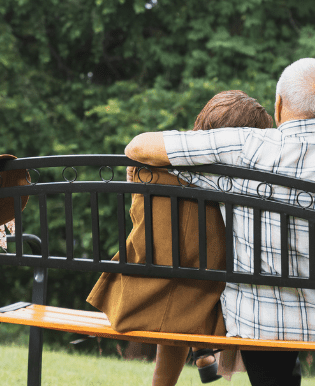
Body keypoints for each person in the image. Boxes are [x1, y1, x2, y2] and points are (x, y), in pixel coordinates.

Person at [124, 58, 315, 386]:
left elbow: (138, 146)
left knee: (266, 312)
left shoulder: (242, 145)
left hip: (256, 321)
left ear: (278, 106)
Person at [87, 90, 273, 385]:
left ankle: (200, 354)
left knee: (178, 273)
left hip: (136, 292)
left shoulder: (149, 168)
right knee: (193, 278)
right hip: (204, 299)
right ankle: (202, 351)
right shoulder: (238, 183)